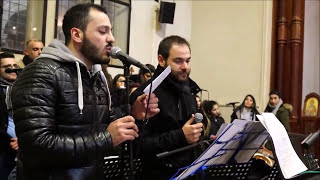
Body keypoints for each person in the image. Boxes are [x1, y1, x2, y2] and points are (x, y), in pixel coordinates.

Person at [11, 4, 159, 180]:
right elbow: (36, 145)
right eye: (102, 31)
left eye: (110, 31)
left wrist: (135, 115)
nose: (111, 38)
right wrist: (107, 138)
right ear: (77, 35)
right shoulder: (41, 72)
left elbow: (103, 125)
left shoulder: (96, 76)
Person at [130, 35, 203, 180]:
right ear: (161, 60)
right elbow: (138, 146)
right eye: (178, 61)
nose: (185, 67)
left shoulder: (188, 90)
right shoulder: (145, 94)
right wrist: (180, 136)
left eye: (188, 61)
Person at [0, 52, 18, 180]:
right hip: (4, 148)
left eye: (14, 65)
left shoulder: (26, 87)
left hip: (25, 145)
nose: (12, 69)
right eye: (7, 66)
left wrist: (24, 139)